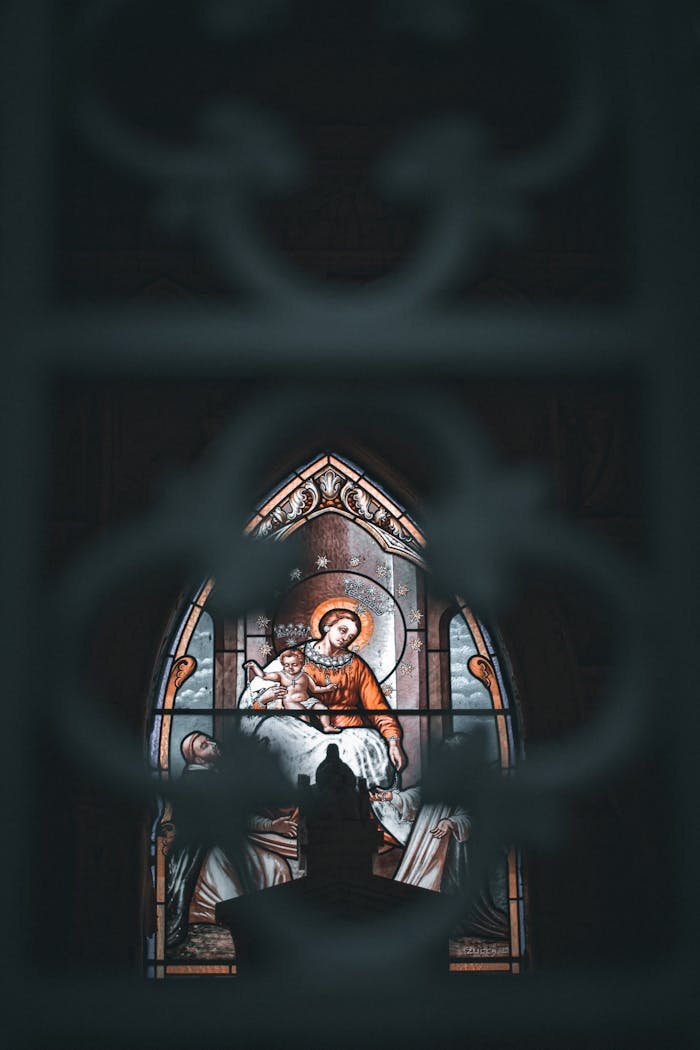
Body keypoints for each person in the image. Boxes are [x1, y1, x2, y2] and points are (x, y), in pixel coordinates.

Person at [238, 607, 407, 840]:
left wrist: (393, 741)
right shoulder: (294, 658)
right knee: (273, 731)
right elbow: (258, 690)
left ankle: (350, 825)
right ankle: (292, 820)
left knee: (359, 747)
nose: (346, 637)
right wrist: (264, 699)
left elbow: (378, 708)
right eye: (343, 629)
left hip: (348, 730)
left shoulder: (357, 666)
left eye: (351, 635)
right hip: (303, 726)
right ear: (327, 626)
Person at [163, 731, 295, 950]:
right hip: (206, 852)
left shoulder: (215, 776)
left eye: (209, 740)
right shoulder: (197, 782)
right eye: (204, 745)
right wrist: (270, 826)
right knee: (272, 867)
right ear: (196, 759)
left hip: (224, 845)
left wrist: (272, 825)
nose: (213, 744)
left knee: (276, 866)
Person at [243, 648, 341, 732]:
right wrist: (254, 667)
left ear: (302, 664)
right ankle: (306, 733)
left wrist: (327, 688)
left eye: (294, 664)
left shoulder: (305, 676)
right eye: (286, 665)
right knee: (303, 715)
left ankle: (327, 726)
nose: (290, 668)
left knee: (322, 708)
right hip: (290, 702)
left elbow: (315, 689)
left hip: (307, 701)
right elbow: (264, 676)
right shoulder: (280, 675)